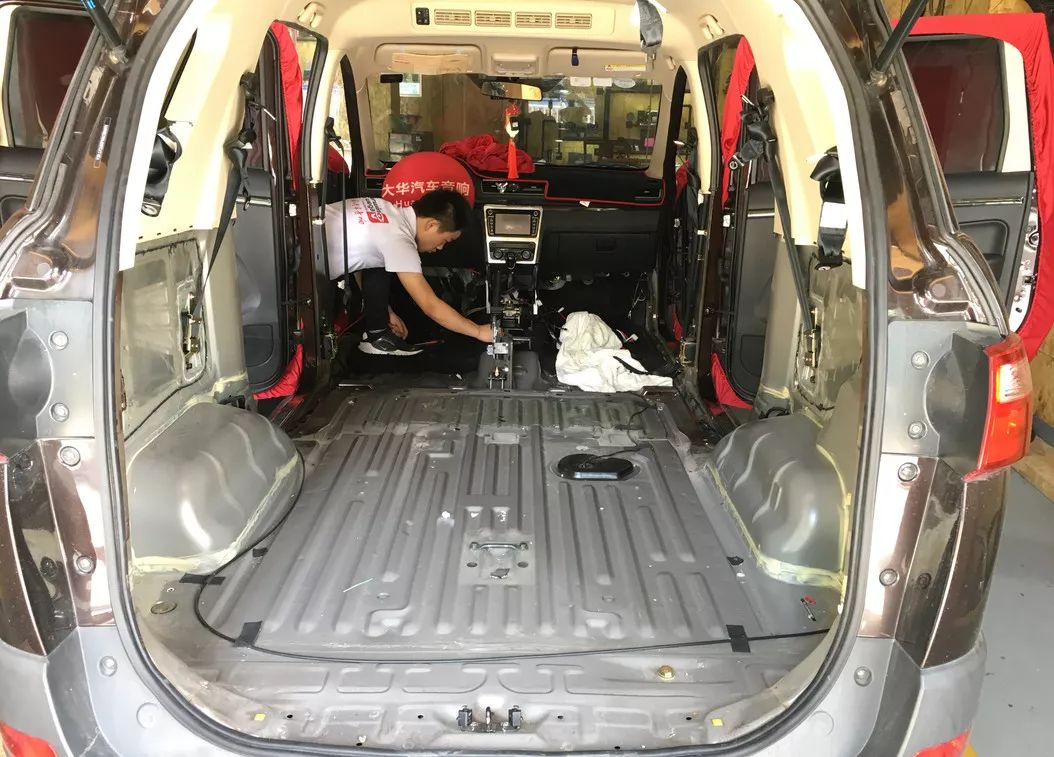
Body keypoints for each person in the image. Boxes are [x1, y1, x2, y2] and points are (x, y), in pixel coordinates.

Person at [325, 188, 492, 355]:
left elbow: (362, 262)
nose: (441, 247)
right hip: (310, 272)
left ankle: (377, 335)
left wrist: (386, 313)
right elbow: (430, 305)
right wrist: (478, 331)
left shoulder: (383, 207)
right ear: (432, 225)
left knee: (380, 262)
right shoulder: (399, 239)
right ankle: (377, 340)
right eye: (445, 240)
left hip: (311, 237)